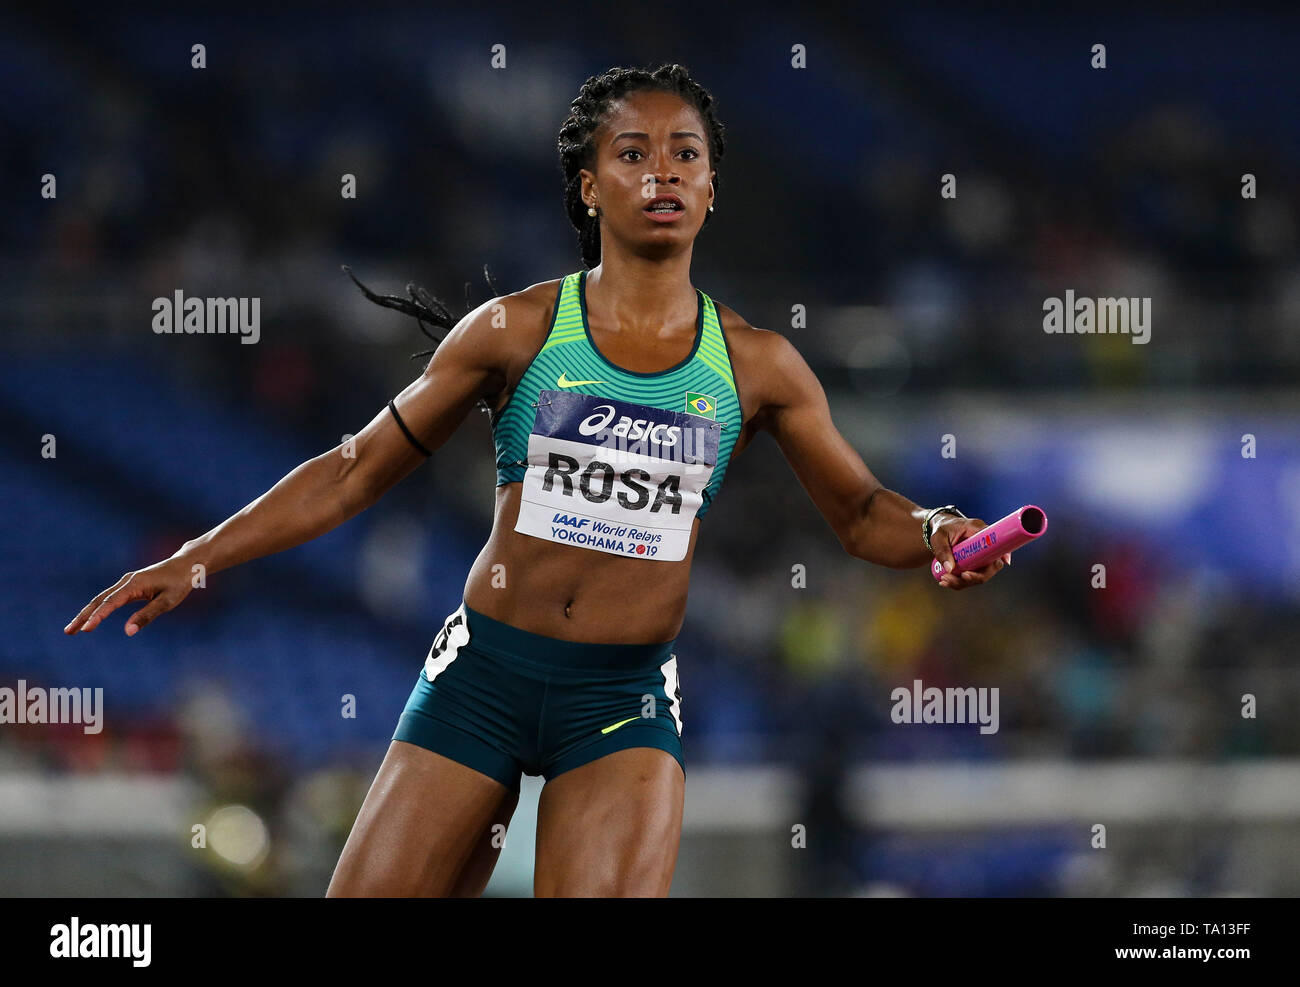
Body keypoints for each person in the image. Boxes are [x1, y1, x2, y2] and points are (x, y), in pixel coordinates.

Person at [63, 63, 1010, 897]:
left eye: (686, 153)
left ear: (713, 187)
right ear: (590, 186)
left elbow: (860, 512)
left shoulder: (758, 366)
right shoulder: (515, 331)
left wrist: (934, 532)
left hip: (623, 697)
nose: (664, 171)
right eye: (634, 153)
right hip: (485, 676)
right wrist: (202, 553)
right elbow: (353, 472)